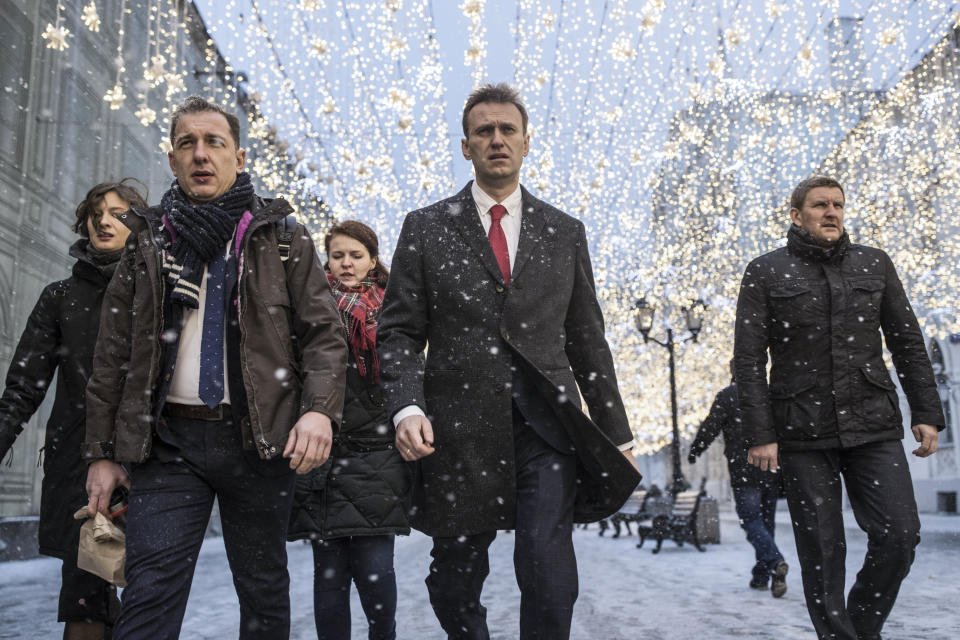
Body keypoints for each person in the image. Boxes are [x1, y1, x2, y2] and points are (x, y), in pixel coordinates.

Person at [377, 82, 641, 640]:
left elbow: (587, 339)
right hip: (456, 430)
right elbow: (399, 332)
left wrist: (618, 434)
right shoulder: (425, 228)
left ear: (526, 143)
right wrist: (406, 407)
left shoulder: (564, 232)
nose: (497, 139)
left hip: (546, 427)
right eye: (483, 131)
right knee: (454, 578)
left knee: (548, 573)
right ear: (466, 146)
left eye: (507, 130)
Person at [82, 95, 348, 639]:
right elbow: (112, 356)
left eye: (214, 143)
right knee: (148, 593)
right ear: (173, 160)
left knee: (263, 592)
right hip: (168, 445)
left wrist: (319, 411)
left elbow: (325, 336)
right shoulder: (148, 245)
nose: (201, 154)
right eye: (187, 144)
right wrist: (103, 454)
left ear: (240, 157)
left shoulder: (281, 239)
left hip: (258, 441)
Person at [734, 175, 945, 640]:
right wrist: (760, 433)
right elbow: (748, 360)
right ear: (796, 215)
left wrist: (926, 413)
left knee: (899, 535)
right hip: (801, 432)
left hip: (873, 423)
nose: (832, 212)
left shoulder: (875, 264)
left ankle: (860, 628)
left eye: (838, 205)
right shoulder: (766, 271)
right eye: (820, 205)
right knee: (823, 551)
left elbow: (907, 343)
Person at [0, 179, 147, 640]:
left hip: (151, 462)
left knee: (148, 595)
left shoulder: (159, 294)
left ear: (139, 225)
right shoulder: (60, 296)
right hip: (83, 468)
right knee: (86, 593)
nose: (104, 220)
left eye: (119, 213)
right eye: (96, 212)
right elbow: (24, 386)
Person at [288, 220, 410, 640]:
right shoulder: (308, 306)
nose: (346, 263)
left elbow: (405, 374)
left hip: (377, 455)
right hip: (325, 456)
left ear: (372, 260)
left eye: (356, 255)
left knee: (376, 573)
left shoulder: (393, 309)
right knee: (330, 578)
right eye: (337, 255)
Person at [688, 359, 788, 597]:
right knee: (766, 523)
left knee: (751, 521)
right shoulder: (769, 395)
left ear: (732, 372)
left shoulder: (728, 396)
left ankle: (774, 562)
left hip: (744, 471)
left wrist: (695, 450)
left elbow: (710, 428)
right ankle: (763, 576)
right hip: (770, 469)